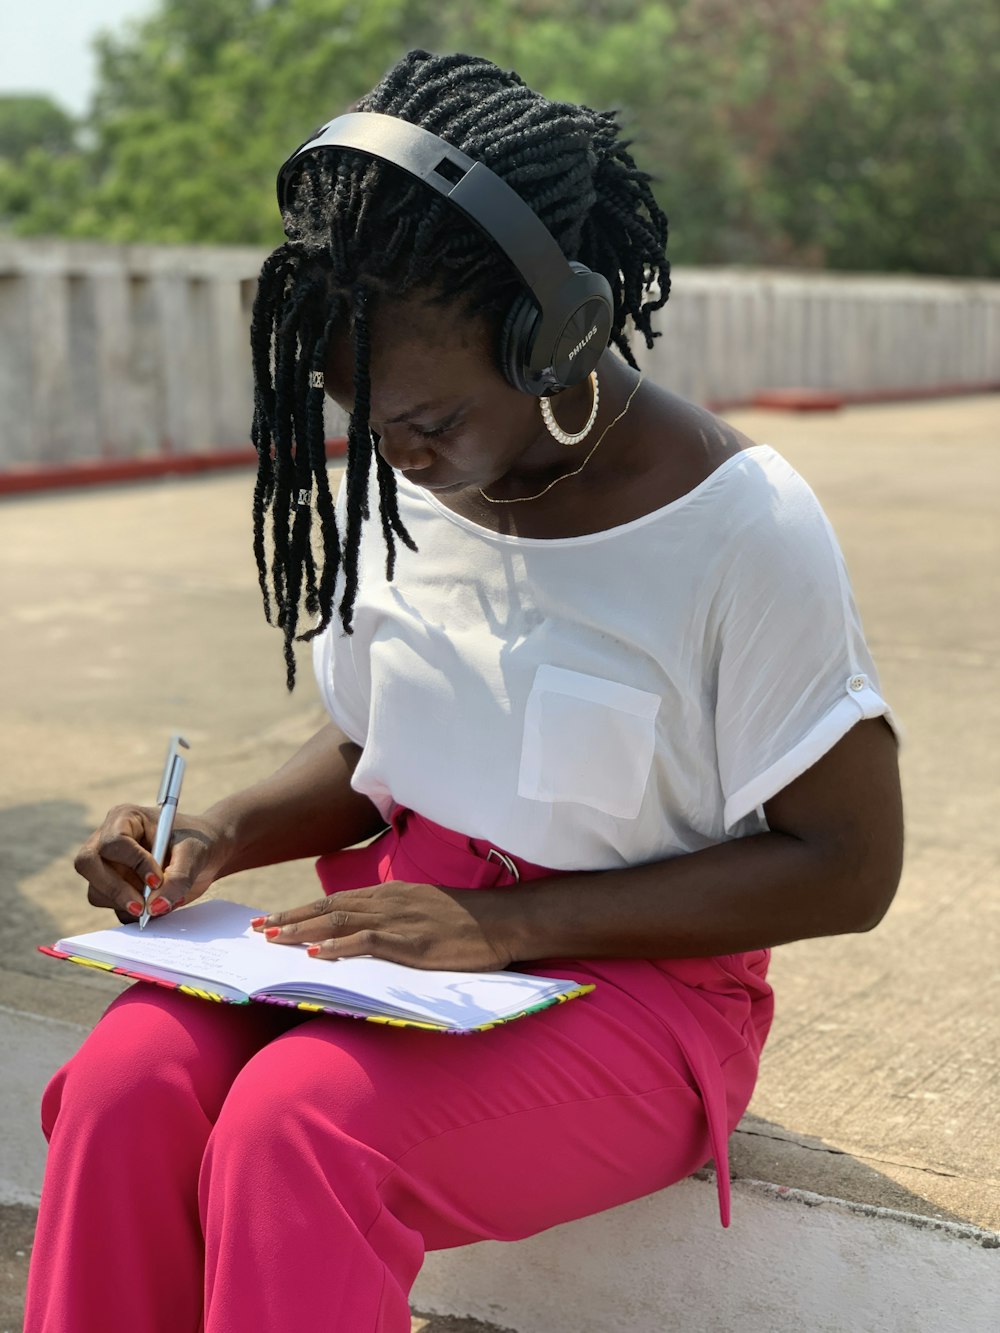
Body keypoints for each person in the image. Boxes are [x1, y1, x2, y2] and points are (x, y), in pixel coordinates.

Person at [24, 49, 903, 1333]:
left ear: (549, 334)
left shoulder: (738, 525)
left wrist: (506, 929)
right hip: (401, 943)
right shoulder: (410, 482)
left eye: (423, 418)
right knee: (125, 1080)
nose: (394, 455)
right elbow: (383, 745)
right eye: (362, 420)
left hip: (640, 989)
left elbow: (847, 864)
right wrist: (217, 832)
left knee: (300, 1129)